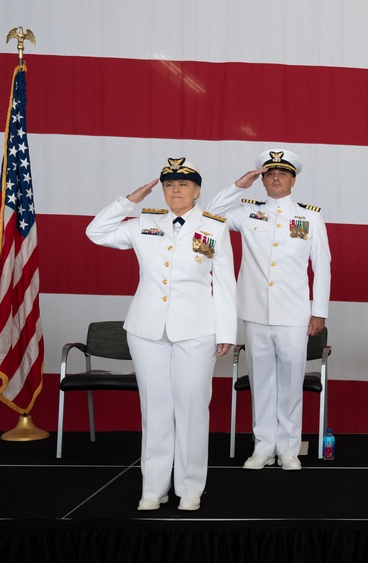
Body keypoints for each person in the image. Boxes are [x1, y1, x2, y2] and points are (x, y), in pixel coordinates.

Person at [85, 157, 237, 511]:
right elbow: (96, 232)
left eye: (183, 185)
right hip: (146, 328)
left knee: (192, 408)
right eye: (169, 185)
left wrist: (226, 330)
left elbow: (225, 284)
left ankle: (189, 489)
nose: (175, 191)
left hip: (197, 328)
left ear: (197, 191)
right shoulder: (144, 222)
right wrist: (130, 199)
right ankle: (153, 487)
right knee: (154, 409)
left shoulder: (214, 227)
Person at [205, 148, 331, 471]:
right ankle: (262, 446)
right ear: (262, 180)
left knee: (291, 382)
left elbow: (323, 266)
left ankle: (288, 448)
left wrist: (319, 311)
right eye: (270, 174)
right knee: (261, 381)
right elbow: (209, 214)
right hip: (255, 311)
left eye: (283, 174)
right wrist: (238, 185)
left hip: (295, 314)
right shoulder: (246, 213)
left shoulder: (310, 217)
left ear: (293, 180)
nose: (276, 178)